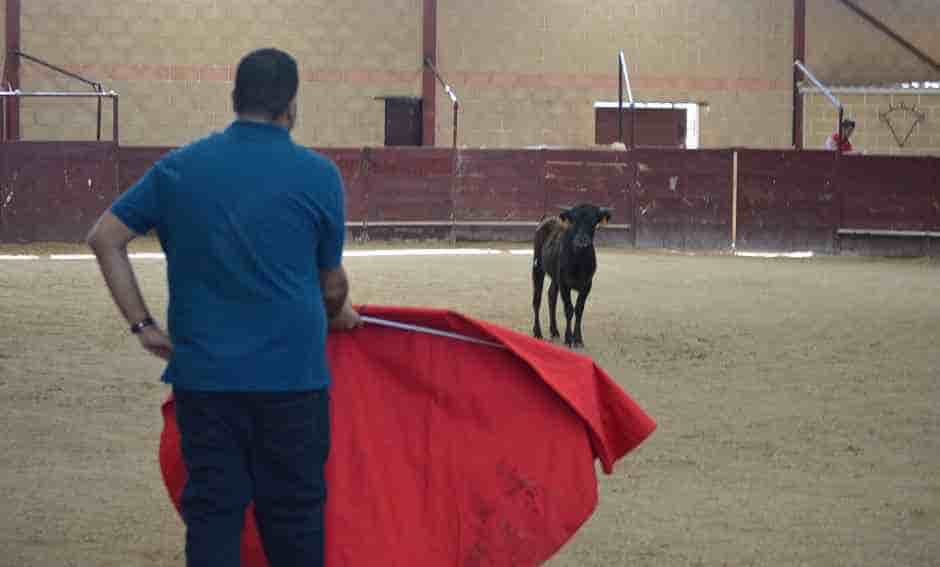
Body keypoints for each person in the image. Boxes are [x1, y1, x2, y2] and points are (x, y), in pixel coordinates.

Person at [86, 48, 360, 567]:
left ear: (236, 98)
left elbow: (104, 238)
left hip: (207, 381)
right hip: (292, 383)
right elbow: (330, 284)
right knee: (296, 518)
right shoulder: (318, 176)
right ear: (291, 106)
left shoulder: (178, 169)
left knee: (214, 516)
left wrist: (143, 325)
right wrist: (338, 313)